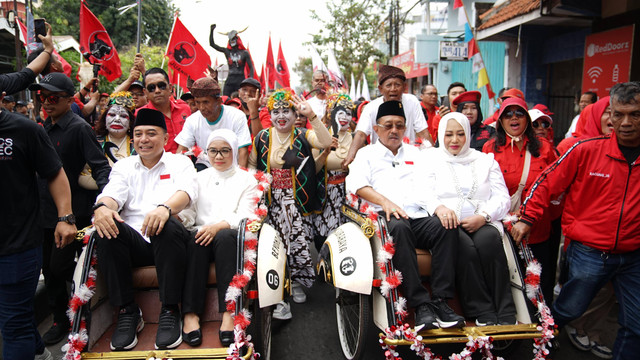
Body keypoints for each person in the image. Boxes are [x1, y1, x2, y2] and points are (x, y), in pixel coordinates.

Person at [511, 82, 640, 360]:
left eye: (635, 114)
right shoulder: (586, 150)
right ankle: (541, 348)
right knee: (568, 310)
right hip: (590, 252)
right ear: (610, 116)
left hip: (634, 255)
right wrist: (527, 218)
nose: (626, 122)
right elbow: (546, 183)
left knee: (636, 325)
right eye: (618, 114)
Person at [346, 100, 465, 330]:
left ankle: (441, 301)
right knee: (399, 226)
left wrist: (439, 207)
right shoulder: (366, 154)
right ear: (376, 128)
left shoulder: (417, 153)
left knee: (446, 226)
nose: (394, 130)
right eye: (388, 125)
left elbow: (428, 186)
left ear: (405, 128)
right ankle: (420, 304)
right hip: (384, 218)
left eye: (399, 126)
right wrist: (385, 202)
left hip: (417, 216)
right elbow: (357, 185)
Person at [92, 108, 198, 350]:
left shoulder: (180, 162)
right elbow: (111, 194)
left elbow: (186, 193)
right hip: (137, 244)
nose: (144, 140)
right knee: (107, 225)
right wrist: (102, 208)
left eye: (151, 134)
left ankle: (170, 309)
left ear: (165, 138)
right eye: (138, 134)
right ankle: (128, 310)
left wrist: (164, 209)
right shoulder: (124, 167)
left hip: (173, 241)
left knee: (165, 223)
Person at [28, 73, 112, 345]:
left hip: (73, 215)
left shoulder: (78, 128)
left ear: (68, 100)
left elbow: (100, 166)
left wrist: (106, 201)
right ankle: (60, 320)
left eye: (53, 98)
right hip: (41, 215)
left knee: (62, 267)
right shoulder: (41, 128)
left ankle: (83, 312)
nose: (46, 103)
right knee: (49, 271)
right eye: (42, 97)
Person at [0, 57, 74, 360]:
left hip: (17, 246)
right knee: (13, 317)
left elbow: (54, 173)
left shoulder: (25, 130)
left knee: (14, 323)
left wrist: (65, 218)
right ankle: (39, 352)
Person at [423, 112, 514, 326]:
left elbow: (502, 197)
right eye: (449, 135)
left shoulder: (485, 160)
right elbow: (423, 191)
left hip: (482, 220)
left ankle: (506, 308)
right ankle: (481, 309)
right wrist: (440, 208)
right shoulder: (429, 159)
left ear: (468, 135)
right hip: (448, 223)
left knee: (490, 243)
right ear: (440, 136)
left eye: (460, 134)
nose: (454, 140)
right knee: (464, 249)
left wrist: (483, 217)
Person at [249, 89, 331, 318]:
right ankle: (278, 292)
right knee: (275, 247)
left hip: (298, 202)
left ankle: (295, 282)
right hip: (271, 202)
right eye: (276, 111)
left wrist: (312, 115)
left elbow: (325, 142)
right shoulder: (262, 138)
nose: (281, 116)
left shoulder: (304, 135)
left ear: (296, 115)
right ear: (270, 114)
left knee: (299, 243)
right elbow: (253, 168)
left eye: (286, 111)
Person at [178, 129, 260, 347]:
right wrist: (179, 219)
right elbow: (190, 212)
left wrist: (218, 226)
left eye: (225, 151)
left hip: (230, 233)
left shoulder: (247, 179)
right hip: (201, 233)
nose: (219, 156)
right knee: (196, 237)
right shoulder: (198, 177)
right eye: (213, 151)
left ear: (233, 152)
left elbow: (247, 213)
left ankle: (228, 313)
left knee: (223, 237)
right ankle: (190, 314)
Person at [482, 97, 557, 304]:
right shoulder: (490, 148)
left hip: (537, 230)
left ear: (527, 119)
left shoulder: (544, 147)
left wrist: (529, 218)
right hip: (502, 232)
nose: (514, 118)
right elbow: (483, 188)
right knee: (505, 282)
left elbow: (551, 186)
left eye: (519, 113)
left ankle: (541, 328)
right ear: (500, 121)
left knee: (539, 285)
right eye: (508, 114)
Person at [343, 64, 432, 168]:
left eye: (397, 85)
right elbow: (361, 134)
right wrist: (350, 156)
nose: (393, 89)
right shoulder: (371, 107)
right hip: (380, 158)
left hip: (407, 158)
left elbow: (422, 131)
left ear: (404, 87)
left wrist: (433, 154)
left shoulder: (412, 102)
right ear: (381, 89)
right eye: (389, 85)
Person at [175, 77, 252, 170]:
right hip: (205, 168)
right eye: (197, 103)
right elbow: (182, 149)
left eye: (206, 102)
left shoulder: (237, 116)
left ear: (219, 101)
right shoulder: (192, 120)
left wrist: (241, 179)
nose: (201, 107)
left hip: (232, 168)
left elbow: (243, 152)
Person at [312, 94, 353, 251]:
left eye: (348, 113)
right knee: (323, 238)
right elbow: (313, 169)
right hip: (324, 194)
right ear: (331, 113)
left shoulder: (357, 139)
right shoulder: (320, 137)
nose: (344, 117)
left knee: (345, 239)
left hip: (347, 195)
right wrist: (325, 153)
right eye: (340, 112)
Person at [138, 68, 191, 154]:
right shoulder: (140, 114)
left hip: (188, 164)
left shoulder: (185, 109)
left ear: (170, 87)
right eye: (151, 88)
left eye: (161, 86)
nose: (157, 91)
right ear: (145, 92)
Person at [209, 24, 255, 96]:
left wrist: (251, 80)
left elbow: (251, 67)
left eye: (234, 39)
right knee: (225, 98)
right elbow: (212, 44)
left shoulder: (244, 52)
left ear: (237, 40)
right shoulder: (227, 51)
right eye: (230, 40)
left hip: (240, 79)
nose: (232, 41)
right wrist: (211, 31)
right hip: (230, 79)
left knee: (242, 100)